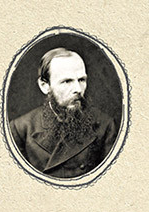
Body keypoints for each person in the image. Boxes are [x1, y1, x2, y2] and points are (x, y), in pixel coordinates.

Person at [9, 48, 117, 179]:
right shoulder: (20, 129)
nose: (78, 89)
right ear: (44, 86)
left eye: (81, 80)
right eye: (67, 81)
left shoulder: (105, 125)